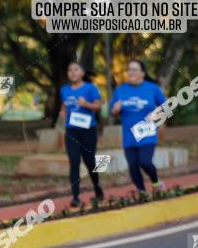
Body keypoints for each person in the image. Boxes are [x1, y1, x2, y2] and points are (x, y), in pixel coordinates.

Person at [110, 59, 167, 195]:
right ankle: (142, 193)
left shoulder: (152, 89)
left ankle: (156, 182)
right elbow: (113, 110)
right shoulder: (121, 90)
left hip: (146, 132)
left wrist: (160, 120)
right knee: (133, 167)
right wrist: (115, 110)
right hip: (129, 135)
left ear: (142, 73)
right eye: (129, 69)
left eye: (135, 69)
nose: (131, 72)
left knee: (145, 162)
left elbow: (165, 107)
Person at [59, 62, 105, 208]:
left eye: (76, 69)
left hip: (88, 130)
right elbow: (64, 105)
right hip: (71, 130)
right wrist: (63, 112)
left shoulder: (90, 88)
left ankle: (98, 188)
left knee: (90, 162)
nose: (72, 72)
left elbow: (99, 105)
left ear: (82, 73)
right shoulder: (64, 89)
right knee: (74, 162)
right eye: (69, 70)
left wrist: (86, 104)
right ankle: (76, 197)